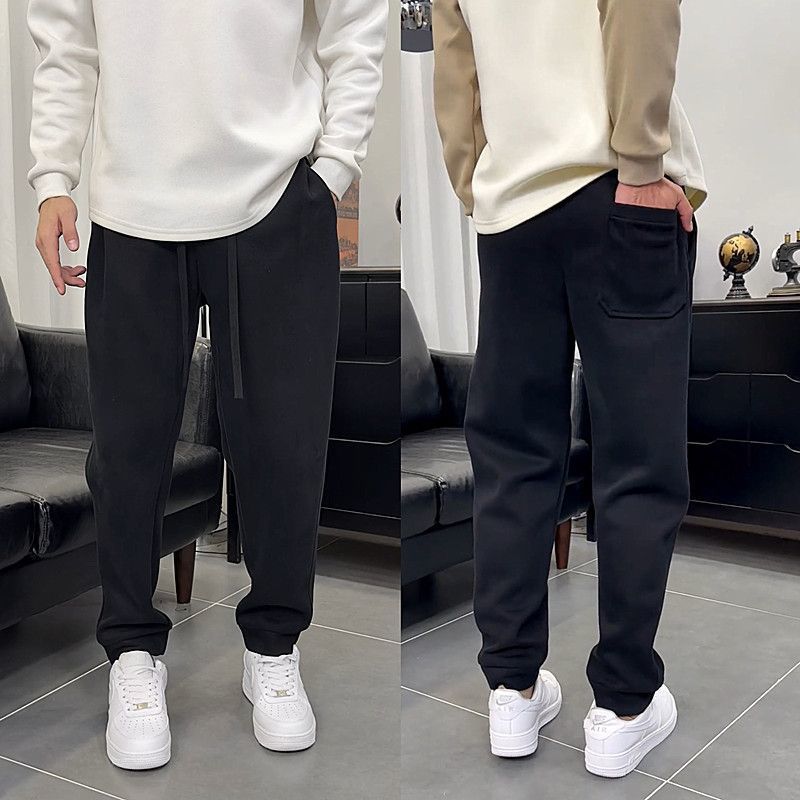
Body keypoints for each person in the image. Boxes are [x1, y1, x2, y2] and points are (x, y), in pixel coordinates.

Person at [27, 0, 387, 770]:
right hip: (132, 204)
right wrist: (53, 175)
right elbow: (66, 36)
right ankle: (132, 651)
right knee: (127, 452)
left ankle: (273, 647)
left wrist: (334, 168)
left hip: (276, 196)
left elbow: (355, 22)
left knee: (284, 443)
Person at [433, 0, 705, 778]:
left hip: (512, 207)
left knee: (512, 455)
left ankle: (512, 690)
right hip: (614, 183)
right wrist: (642, 161)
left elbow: (456, 59)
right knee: (638, 456)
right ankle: (622, 706)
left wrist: (477, 183)